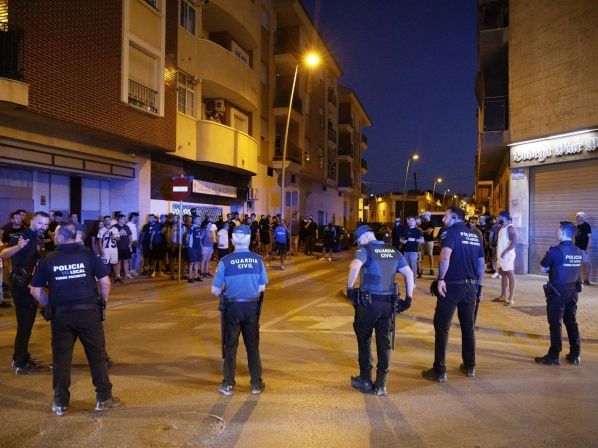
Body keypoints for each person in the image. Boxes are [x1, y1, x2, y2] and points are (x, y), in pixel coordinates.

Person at [30, 223, 120, 416]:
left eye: (55, 235)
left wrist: (48, 305)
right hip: (88, 313)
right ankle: (104, 398)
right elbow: (105, 282)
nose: (53, 237)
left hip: (61, 315)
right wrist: (102, 302)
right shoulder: (89, 255)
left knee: (61, 359)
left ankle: (60, 403)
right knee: (97, 356)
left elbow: (36, 291)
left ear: (61, 237)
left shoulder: (47, 259)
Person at [347, 225, 414, 396]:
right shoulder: (393, 251)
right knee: (385, 344)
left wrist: (350, 288)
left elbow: (354, 266)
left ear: (366, 236)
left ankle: (365, 379)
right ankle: (382, 384)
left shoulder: (365, 250)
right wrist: (408, 299)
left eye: (359, 240)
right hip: (388, 305)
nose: (358, 244)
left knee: (364, 339)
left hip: (368, 304)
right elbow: (409, 274)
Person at [422, 207, 485, 383]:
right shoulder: (475, 236)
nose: (443, 219)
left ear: (455, 217)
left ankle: (439, 370)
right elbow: (481, 264)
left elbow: (445, 256)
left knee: (442, 326)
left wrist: (441, 279)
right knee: (468, 327)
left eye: (446, 216)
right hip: (470, 286)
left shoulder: (448, 233)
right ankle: (470, 366)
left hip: (451, 286)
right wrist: (479, 287)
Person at [212, 225, 268, 396]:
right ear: (249, 239)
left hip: (232, 308)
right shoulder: (257, 260)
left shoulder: (225, 261)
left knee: (230, 346)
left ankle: (228, 384)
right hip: (251, 307)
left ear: (233, 240)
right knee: (252, 346)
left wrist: (229, 288)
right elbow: (262, 287)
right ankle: (256, 383)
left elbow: (215, 290)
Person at [0, 211, 50, 374]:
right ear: (32, 221)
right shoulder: (21, 236)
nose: (43, 227)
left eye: (46, 224)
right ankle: (20, 362)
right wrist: (18, 246)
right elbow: (3, 254)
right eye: (40, 223)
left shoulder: (39, 238)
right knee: (25, 325)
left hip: (31, 286)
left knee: (27, 325)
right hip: (21, 287)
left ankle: (22, 357)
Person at [535, 221, 583, 366]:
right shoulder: (578, 250)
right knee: (571, 322)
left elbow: (542, 268)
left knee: (555, 324)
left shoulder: (555, 251)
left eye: (558, 230)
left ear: (563, 233)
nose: (556, 232)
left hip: (558, 293)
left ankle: (554, 356)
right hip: (573, 292)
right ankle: (575, 355)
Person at [496, 211, 518, 305]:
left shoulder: (511, 228)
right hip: (501, 256)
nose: (497, 218)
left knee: (510, 275)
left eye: (499, 217)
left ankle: (511, 298)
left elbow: (515, 242)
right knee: (503, 275)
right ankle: (503, 296)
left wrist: (505, 251)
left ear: (503, 217)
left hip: (507, 256)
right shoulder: (502, 227)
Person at [401, 216, 424, 285]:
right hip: (406, 251)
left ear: (415, 222)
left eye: (412, 220)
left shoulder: (418, 231)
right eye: (410, 220)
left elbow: (422, 240)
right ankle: (407, 282)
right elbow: (401, 239)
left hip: (414, 252)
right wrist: (403, 241)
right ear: (408, 222)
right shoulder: (405, 230)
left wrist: (415, 239)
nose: (411, 222)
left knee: (413, 267)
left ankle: (413, 282)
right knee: (406, 268)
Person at [97, 216, 119, 282]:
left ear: (110, 220)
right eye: (106, 220)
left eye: (108, 220)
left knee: (115, 263)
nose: (107, 221)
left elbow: (119, 238)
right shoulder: (101, 230)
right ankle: (105, 278)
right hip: (105, 249)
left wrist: (114, 238)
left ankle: (117, 277)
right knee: (105, 264)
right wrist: (101, 250)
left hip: (114, 249)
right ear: (104, 221)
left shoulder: (115, 229)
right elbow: (99, 242)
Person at [112, 214, 132, 282]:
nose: (125, 220)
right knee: (118, 261)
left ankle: (127, 274)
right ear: (120, 219)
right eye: (124, 219)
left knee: (126, 261)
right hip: (117, 247)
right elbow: (112, 237)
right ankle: (118, 276)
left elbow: (130, 236)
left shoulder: (126, 227)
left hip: (126, 247)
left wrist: (130, 244)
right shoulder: (114, 227)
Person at [575, 212, 592, 285]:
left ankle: (586, 280)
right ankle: (578, 280)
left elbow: (590, 238)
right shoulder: (576, 226)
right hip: (577, 248)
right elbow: (576, 238)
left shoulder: (587, 226)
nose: (577, 218)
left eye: (578, 217)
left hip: (585, 248)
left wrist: (587, 248)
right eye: (576, 217)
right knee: (577, 264)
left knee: (586, 264)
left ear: (582, 218)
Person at [185, 215, 203, 283]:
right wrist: (188, 245)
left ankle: (196, 276)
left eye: (199, 219)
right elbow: (187, 236)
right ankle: (190, 277)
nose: (199, 220)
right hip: (192, 247)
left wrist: (201, 246)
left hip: (198, 247)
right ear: (195, 220)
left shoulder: (199, 227)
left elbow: (199, 238)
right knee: (191, 262)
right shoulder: (192, 227)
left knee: (196, 262)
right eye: (198, 219)